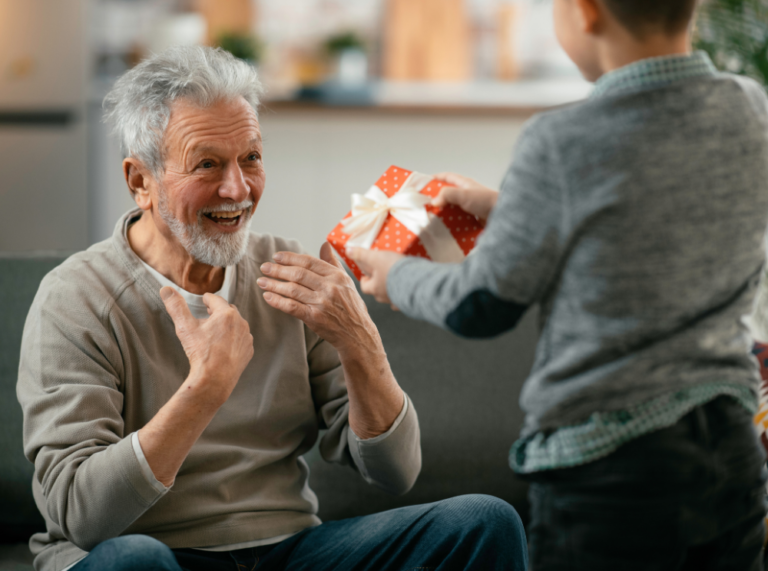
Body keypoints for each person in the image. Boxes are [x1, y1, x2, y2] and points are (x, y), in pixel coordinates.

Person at [16, 46, 527, 571]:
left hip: (287, 552)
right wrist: (206, 389)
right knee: (134, 563)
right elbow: (80, 515)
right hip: (152, 552)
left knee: (484, 521)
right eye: (207, 163)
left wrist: (361, 342)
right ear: (140, 181)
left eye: (251, 158)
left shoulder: (290, 273)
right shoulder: (76, 298)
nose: (237, 189)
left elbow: (396, 473)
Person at [350, 0, 768, 568]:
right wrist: (511, 208)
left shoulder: (561, 140)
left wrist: (397, 278)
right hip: (730, 448)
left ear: (584, 8)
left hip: (611, 470)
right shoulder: (750, 109)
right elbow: (659, 219)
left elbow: (482, 304)